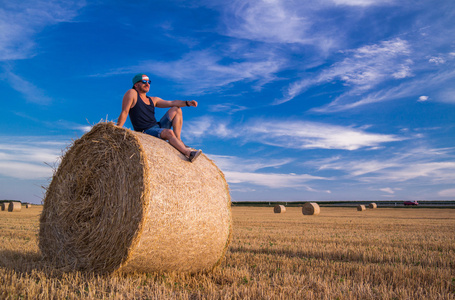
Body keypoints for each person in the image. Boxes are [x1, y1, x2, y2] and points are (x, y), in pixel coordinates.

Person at [116, 73, 202, 162]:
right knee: (169, 132)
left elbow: (172, 103)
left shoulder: (153, 100)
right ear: (136, 85)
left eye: (149, 82)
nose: (147, 84)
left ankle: (178, 140)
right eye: (144, 81)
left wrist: (187, 103)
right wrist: (116, 131)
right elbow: (125, 112)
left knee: (176, 109)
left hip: (157, 127)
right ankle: (189, 154)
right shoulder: (132, 93)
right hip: (145, 131)